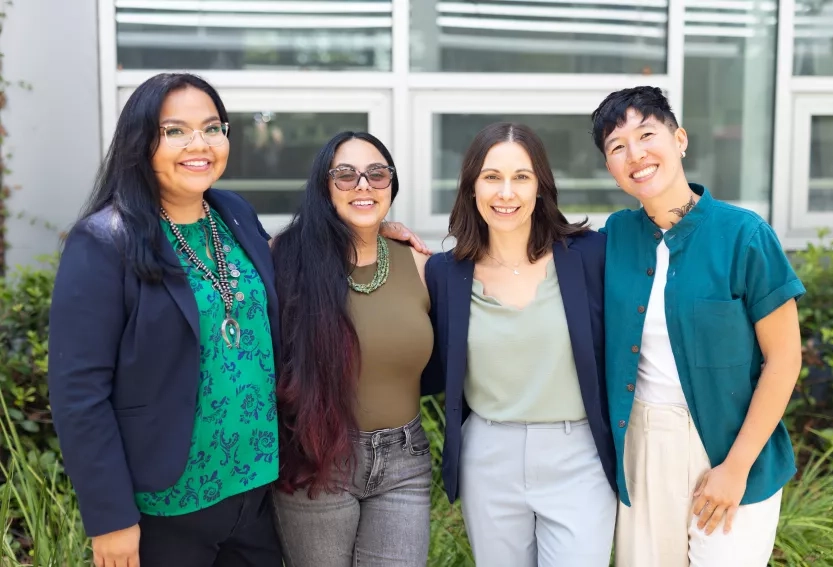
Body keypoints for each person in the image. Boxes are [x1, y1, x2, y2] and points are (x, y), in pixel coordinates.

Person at [47, 72, 425, 567]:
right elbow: (78, 392)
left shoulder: (234, 214)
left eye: (211, 127)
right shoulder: (104, 241)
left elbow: (303, 252)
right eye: (175, 130)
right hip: (166, 503)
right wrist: (110, 518)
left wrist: (371, 227)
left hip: (255, 492)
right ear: (142, 142)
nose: (198, 143)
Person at [592, 86, 804, 566]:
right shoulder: (615, 237)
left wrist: (736, 467)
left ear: (680, 139)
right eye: (617, 147)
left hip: (733, 446)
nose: (636, 154)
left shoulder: (744, 234)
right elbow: (529, 250)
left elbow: (785, 357)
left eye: (647, 134)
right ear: (610, 167)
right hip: (643, 447)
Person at [424, 122, 618, 566]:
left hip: (578, 454)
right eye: (492, 177)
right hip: (489, 456)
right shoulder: (444, 274)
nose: (506, 193)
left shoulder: (590, 255)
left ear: (541, 188)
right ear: (472, 187)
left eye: (521, 177)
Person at [271, 132, 434, 567]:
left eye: (376, 174)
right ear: (324, 187)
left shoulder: (417, 262)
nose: (363, 185)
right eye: (345, 175)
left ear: (391, 186)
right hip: (317, 456)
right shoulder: (284, 260)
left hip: (404, 461)